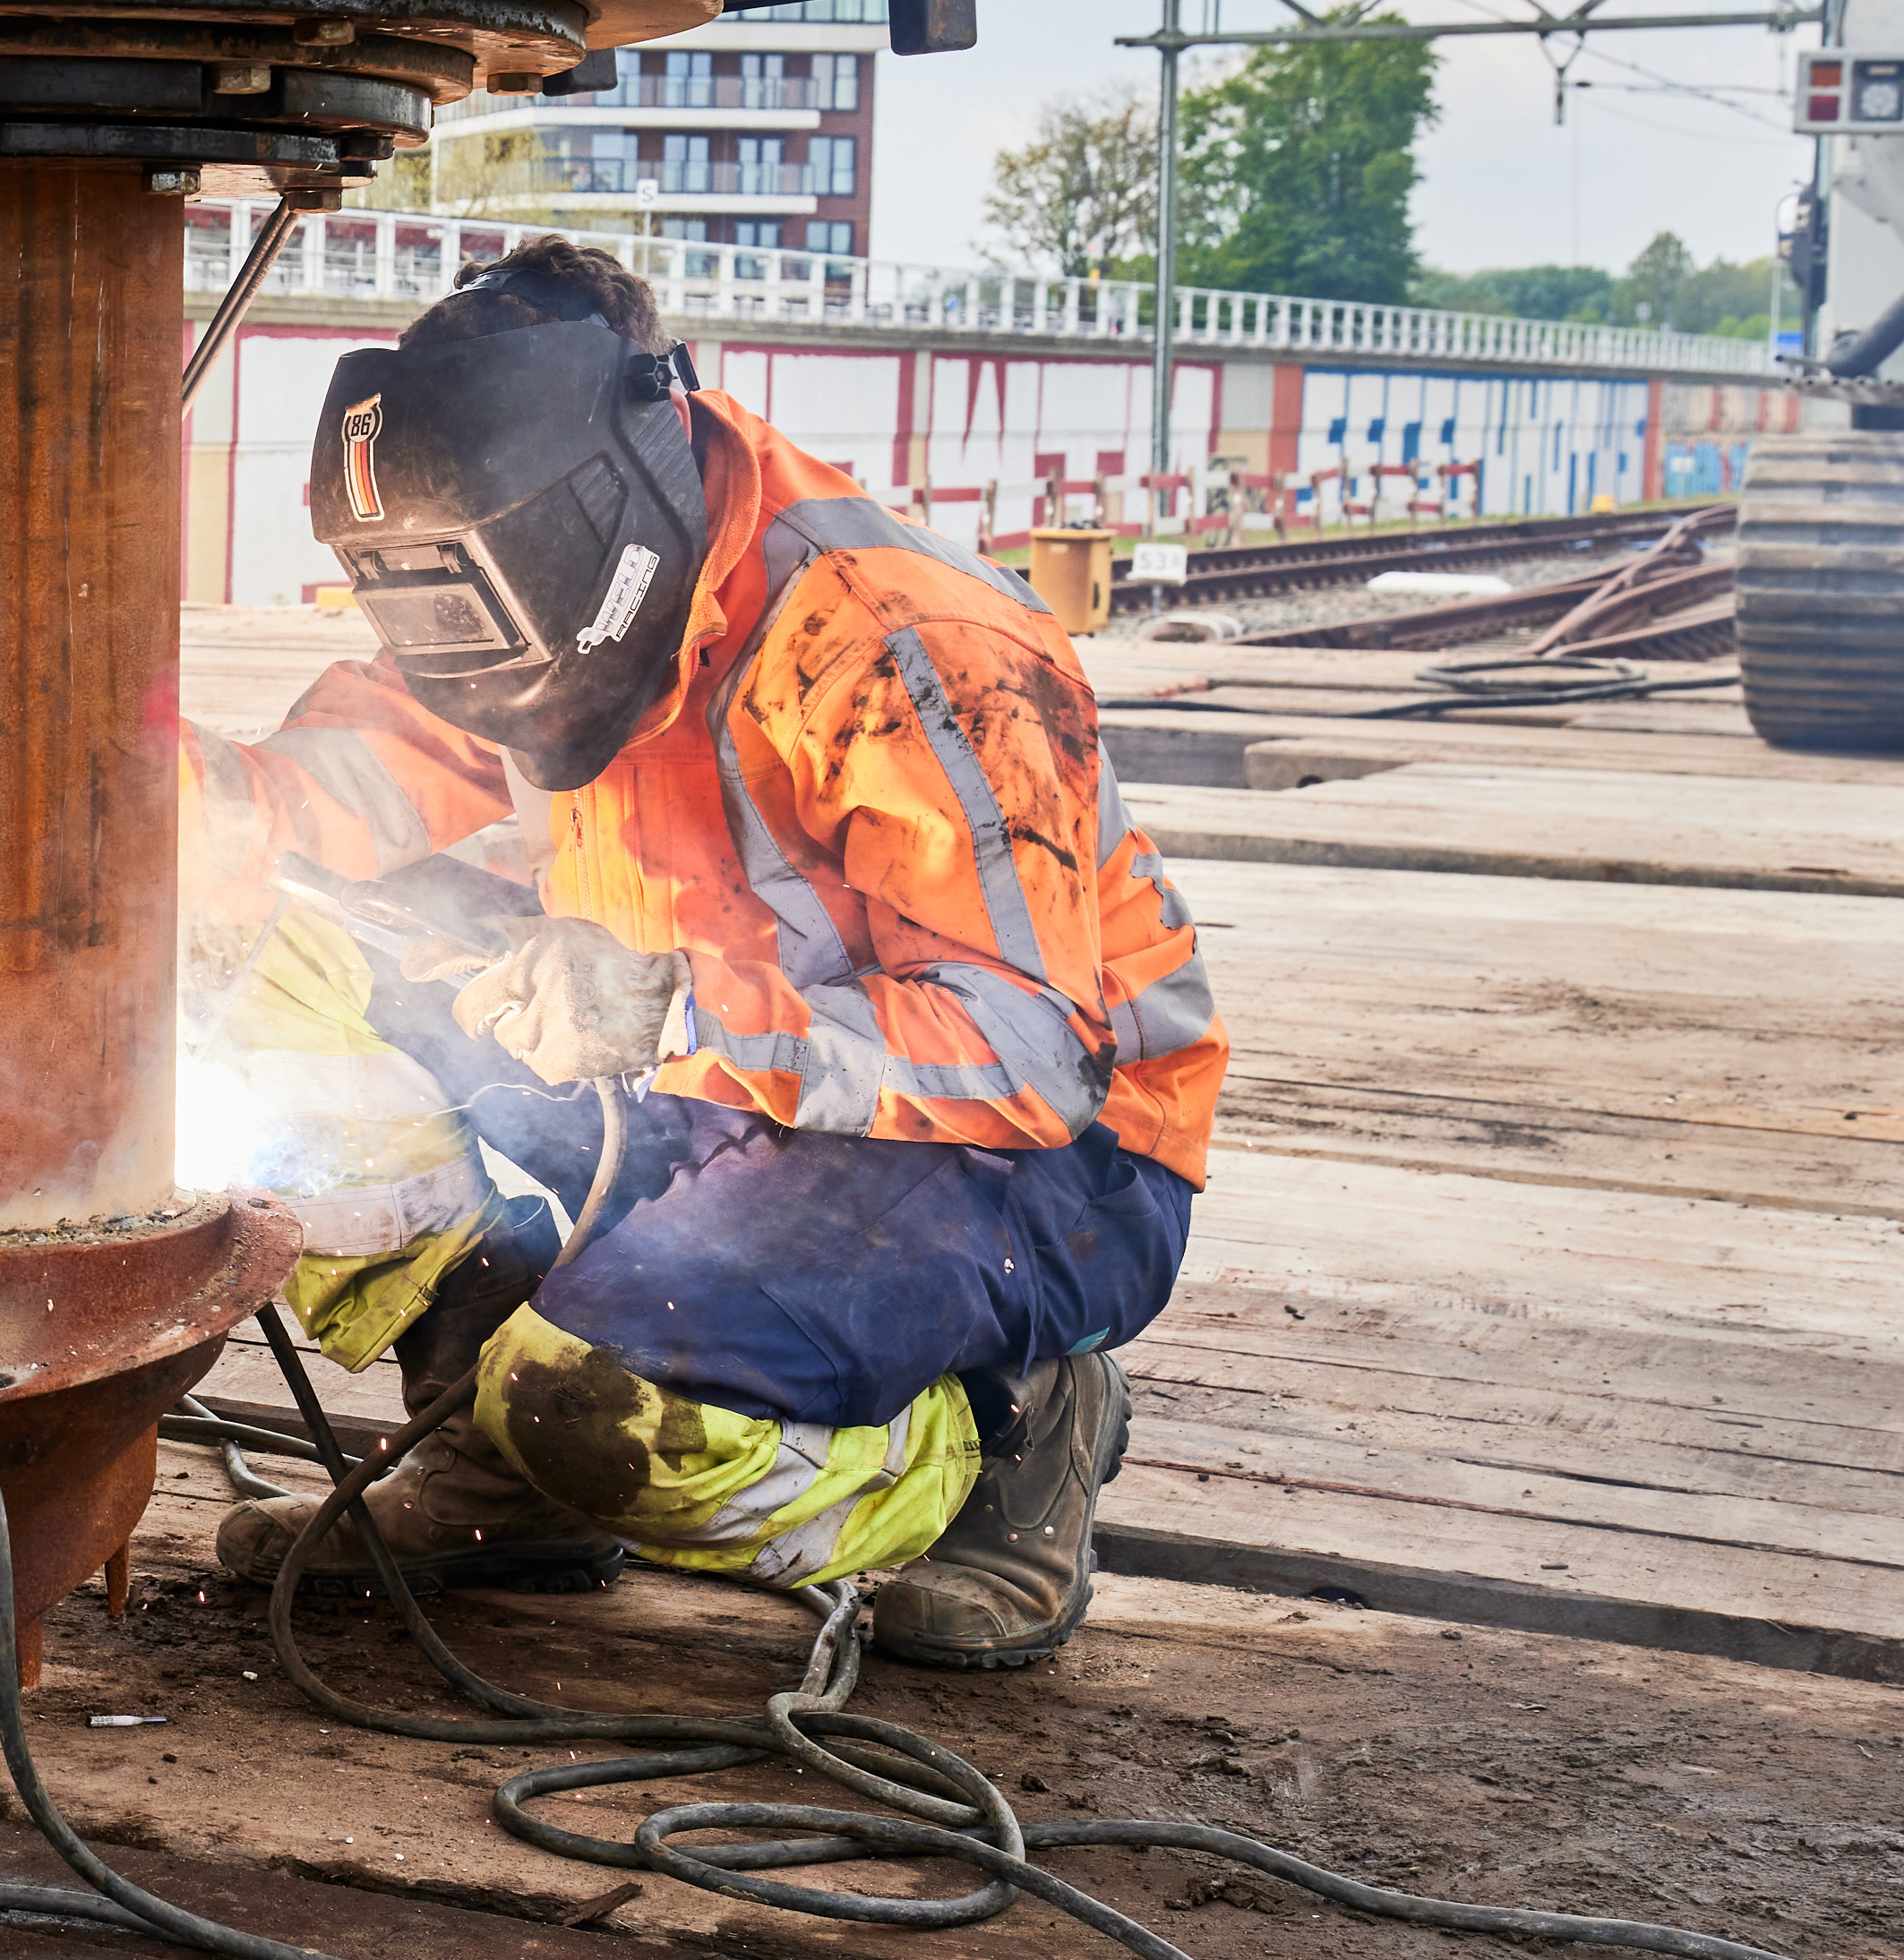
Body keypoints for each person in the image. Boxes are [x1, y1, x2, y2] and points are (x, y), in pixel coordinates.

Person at [184, 235, 1220, 1667]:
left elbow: (1034, 1048)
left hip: (1024, 1156)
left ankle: (1007, 1430)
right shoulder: (508, 587)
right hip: (687, 1076)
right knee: (267, 972)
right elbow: (375, 762)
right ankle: (502, 1458)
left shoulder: (902, 643)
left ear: (619, 507)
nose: (484, 701)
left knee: (600, 1402)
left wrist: (669, 1008)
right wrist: (216, 817)